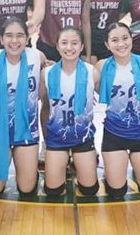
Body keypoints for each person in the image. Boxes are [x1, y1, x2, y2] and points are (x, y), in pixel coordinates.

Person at [0, 17, 46, 199]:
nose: (14, 41)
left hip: (26, 129)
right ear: (1, 39)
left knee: (27, 189)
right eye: (9, 36)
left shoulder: (37, 57)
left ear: (27, 38)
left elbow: (44, 91)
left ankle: (30, 168)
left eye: (20, 36)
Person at [96, 23, 140, 200]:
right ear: (108, 45)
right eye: (114, 40)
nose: (121, 44)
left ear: (132, 39)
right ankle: (111, 171)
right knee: (117, 192)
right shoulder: (101, 66)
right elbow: (92, 87)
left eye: (125, 38)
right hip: (114, 133)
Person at [39, 27, 99, 198]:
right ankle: (60, 162)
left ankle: (81, 160)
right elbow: (45, 105)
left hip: (83, 138)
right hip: (57, 138)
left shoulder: (92, 72)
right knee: (53, 191)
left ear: (81, 47)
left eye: (74, 43)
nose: (69, 48)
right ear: (57, 46)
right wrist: (47, 139)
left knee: (89, 190)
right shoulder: (47, 73)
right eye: (64, 43)